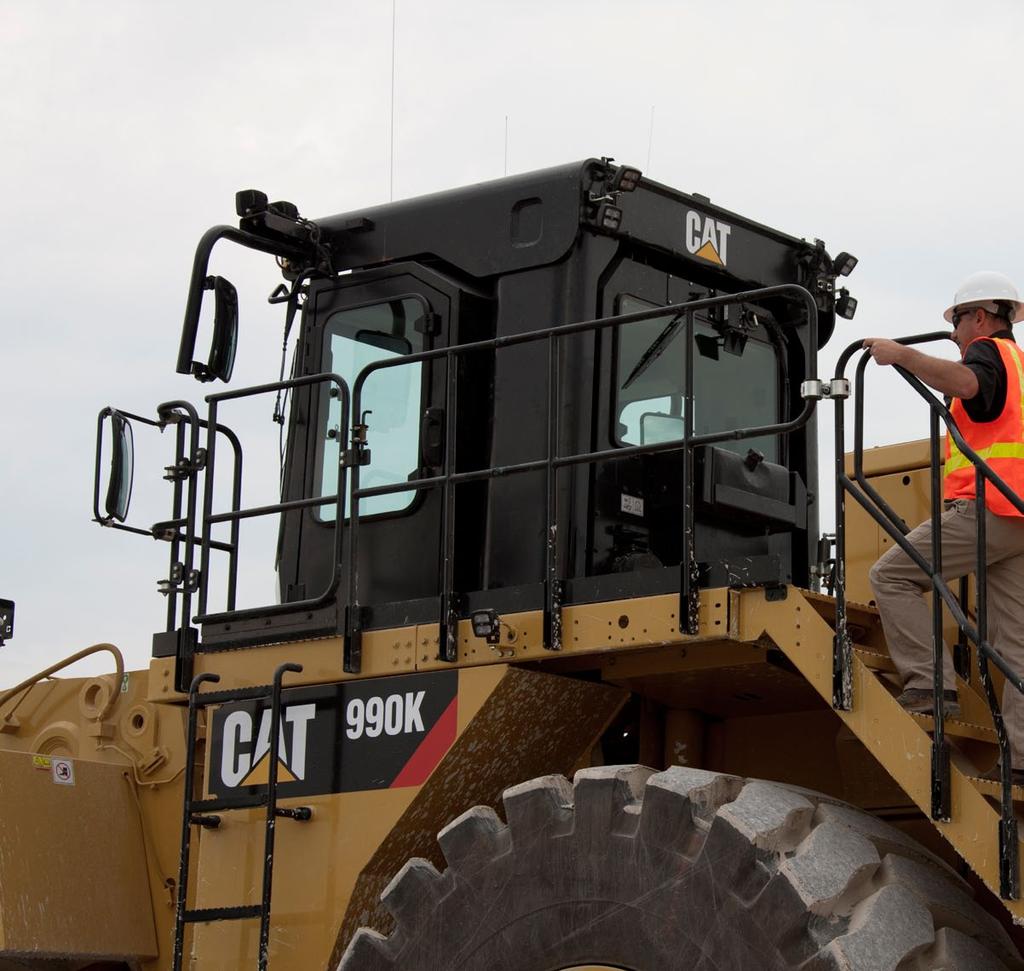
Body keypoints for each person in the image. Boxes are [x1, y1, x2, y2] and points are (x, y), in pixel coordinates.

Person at [863, 271, 1024, 782]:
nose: (954, 334)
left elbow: (967, 383)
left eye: (956, 321)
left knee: (892, 576)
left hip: (986, 508)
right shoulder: (1022, 365)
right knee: (1015, 646)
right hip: (1020, 519)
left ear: (978, 316)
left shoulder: (989, 353)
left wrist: (901, 356)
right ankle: (1020, 764)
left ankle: (932, 686)